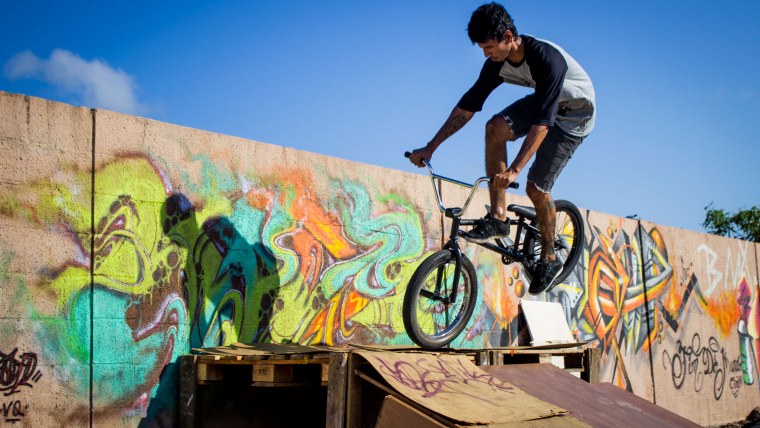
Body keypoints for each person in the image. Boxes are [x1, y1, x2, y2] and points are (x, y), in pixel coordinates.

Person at [408, 2, 595, 294]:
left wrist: (514, 170)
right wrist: (431, 147)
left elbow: (542, 125)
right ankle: (498, 218)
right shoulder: (496, 64)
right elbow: (467, 106)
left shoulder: (547, 60)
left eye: (489, 47)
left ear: (508, 37)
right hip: (546, 104)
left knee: (535, 188)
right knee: (495, 127)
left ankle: (549, 257)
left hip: (574, 117)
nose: (486, 54)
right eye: (482, 48)